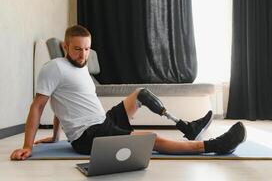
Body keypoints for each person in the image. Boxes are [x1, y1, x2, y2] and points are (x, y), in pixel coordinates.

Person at [10, 25, 246, 160]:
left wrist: (54, 137)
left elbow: (63, 104)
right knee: (150, 138)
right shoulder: (53, 68)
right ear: (65, 46)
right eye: (77, 49)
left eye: (87, 49)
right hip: (88, 136)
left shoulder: (81, 67)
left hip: (103, 120)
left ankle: (186, 126)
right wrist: (28, 146)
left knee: (141, 93)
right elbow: (39, 106)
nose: (83, 55)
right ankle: (213, 146)